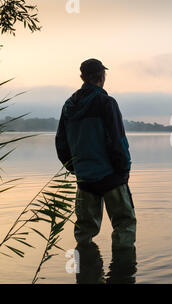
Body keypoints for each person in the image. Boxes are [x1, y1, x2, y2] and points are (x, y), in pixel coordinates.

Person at [55, 58, 136, 250]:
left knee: (84, 231)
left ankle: (87, 271)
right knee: (124, 224)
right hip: (111, 176)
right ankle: (123, 272)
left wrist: (75, 168)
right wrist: (123, 170)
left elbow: (61, 143)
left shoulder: (69, 106)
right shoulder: (106, 102)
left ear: (82, 77)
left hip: (85, 178)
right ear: (102, 77)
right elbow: (118, 141)